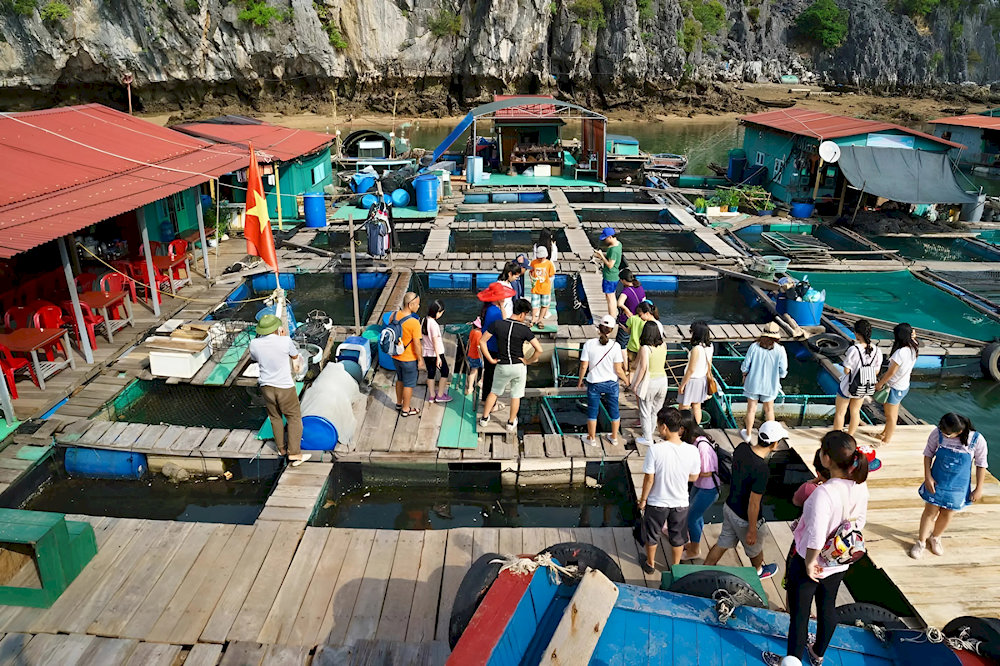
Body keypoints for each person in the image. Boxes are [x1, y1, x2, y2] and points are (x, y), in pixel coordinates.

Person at [763, 431, 869, 666]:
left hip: (810, 562)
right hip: (839, 560)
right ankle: (817, 654)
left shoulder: (824, 493)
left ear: (827, 459)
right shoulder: (860, 487)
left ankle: (791, 661)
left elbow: (816, 535)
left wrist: (810, 563)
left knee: (800, 616)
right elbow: (859, 523)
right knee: (827, 606)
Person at [703, 420, 786, 580]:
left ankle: (705, 568)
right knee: (755, 549)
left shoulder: (742, 448)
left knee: (723, 542)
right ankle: (759, 571)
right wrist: (752, 529)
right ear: (774, 444)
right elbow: (753, 503)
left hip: (729, 507)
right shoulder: (762, 469)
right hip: (744, 518)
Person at [909, 413, 989, 559]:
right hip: (937, 480)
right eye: (943, 431)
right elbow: (928, 454)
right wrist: (928, 477)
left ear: (959, 431)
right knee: (930, 512)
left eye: (948, 433)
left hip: (959, 486)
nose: (945, 435)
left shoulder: (976, 440)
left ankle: (935, 537)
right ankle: (920, 542)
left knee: (948, 513)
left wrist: (979, 488)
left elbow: (981, 464)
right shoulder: (937, 434)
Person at [637, 406, 702, 572]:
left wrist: (643, 499)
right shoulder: (692, 450)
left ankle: (650, 564)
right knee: (678, 537)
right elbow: (694, 477)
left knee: (652, 535)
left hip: (657, 501)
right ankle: (675, 566)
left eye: (658, 425)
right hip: (680, 502)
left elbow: (649, 478)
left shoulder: (655, 449)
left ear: (664, 426)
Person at [249, 314, 311, 466]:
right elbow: (295, 356)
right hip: (284, 387)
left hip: (266, 387)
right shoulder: (285, 341)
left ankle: (281, 449)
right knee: (294, 418)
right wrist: (282, 337)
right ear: (278, 328)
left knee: (275, 417)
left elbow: (254, 358)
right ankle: (295, 454)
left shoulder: (254, 343)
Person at [479, 298, 542, 433]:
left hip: (502, 365)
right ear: (523, 314)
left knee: (494, 392)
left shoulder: (497, 324)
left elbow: (482, 341)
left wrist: (490, 359)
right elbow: (539, 350)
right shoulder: (524, 330)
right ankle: (510, 422)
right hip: (518, 367)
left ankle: (484, 419)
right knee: (516, 395)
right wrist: (528, 361)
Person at [578, 315, 628, 448]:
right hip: (611, 384)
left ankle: (591, 438)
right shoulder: (616, 346)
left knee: (592, 412)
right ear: (612, 330)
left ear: (598, 328)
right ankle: (614, 437)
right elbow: (618, 369)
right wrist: (626, 380)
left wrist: (580, 381)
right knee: (614, 411)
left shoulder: (589, 344)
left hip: (594, 383)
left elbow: (584, 366)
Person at [680, 410, 719, 560]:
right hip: (700, 484)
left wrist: (685, 472)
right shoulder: (695, 442)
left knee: (691, 517)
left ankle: (695, 550)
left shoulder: (702, 445)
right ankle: (695, 542)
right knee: (696, 515)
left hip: (709, 488)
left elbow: (708, 471)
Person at [833, 318, 882, 436]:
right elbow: (876, 371)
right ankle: (850, 435)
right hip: (863, 386)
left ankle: (837, 437)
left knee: (840, 412)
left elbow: (846, 370)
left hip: (848, 385)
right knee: (855, 411)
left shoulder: (854, 349)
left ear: (857, 334)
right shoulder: (877, 350)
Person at [740, 322, 788, 441]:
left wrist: (744, 374)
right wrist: (779, 376)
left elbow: (745, 365)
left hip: (752, 383)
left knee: (751, 409)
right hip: (770, 385)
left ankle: (748, 434)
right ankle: (771, 435)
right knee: (769, 410)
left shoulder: (754, 347)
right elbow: (783, 369)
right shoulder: (780, 350)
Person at [873, 323, 919, 446]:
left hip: (894, 387)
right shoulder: (914, 347)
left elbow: (891, 372)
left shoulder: (900, 353)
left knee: (890, 416)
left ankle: (886, 439)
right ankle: (884, 433)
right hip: (903, 386)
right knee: (892, 413)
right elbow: (914, 337)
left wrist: (880, 384)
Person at [630, 320, 669, 446]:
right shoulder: (664, 345)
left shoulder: (645, 348)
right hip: (663, 381)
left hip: (650, 382)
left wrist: (635, 384)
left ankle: (647, 438)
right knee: (655, 411)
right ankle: (650, 433)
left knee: (645, 411)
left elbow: (643, 368)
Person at [477, 282, 512, 408]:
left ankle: (485, 399)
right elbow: (504, 324)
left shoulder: (488, 308)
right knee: (494, 377)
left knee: (488, 375)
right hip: (493, 347)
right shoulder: (495, 312)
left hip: (488, 345)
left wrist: (502, 306)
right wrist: (502, 307)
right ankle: (491, 404)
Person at [390, 292, 425, 417]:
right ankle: (406, 409)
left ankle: (399, 403)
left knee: (400, 379)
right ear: (411, 304)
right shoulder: (414, 323)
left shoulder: (393, 316)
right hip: (409, 359)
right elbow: (417, 344)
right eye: (417, 304)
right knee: (409, 384)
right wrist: (420, 360)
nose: (419, 306)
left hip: (395, 356)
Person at [678, 320, 714, 425]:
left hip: (692, 381)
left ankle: (682, 428)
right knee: (697, 406)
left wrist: (683, 384)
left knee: (684, 407)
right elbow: (709, 366)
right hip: (701, 379)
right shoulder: (710, 346)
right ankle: (696, 427)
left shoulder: (696, 349)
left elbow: (691, 370)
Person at [421, 299, 452, 404]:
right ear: (437, 312)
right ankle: (440, 395)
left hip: (426, 352)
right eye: (441, 312)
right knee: (445, 372)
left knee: (431, 373)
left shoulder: (424, 320)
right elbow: (435, 341)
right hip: (436, 353)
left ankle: (432, 395)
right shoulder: (433, 324)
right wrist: (438, 357)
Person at [593, 227, 622, 318]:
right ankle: (613, 316)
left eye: (605, 238)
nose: (604, 240)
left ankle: (612, 317)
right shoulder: (618, 244)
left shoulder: (613, 250)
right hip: (615, 275)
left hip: (610, 276)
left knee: (610, 298)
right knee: (612, 296)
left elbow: (610, 265)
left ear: (610, 237)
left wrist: (601, 256)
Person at [624, 301, 659, 370]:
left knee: (632, 369)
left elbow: (628, 331)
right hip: (646, 349)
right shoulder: (651, 324)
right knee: (643, 368)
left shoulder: (633, 318)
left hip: (632, 348)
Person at [528, 245, 556, 330]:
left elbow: (551, 274)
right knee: (534, 305)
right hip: (535, 287)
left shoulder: (549, 263)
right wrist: (531, 278)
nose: (541, 259)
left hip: (545, 288)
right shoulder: (534, 262)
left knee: (544, 304)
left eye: (543, 257)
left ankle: (540, 320)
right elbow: (530, 271)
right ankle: (533, 319)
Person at [616, 269, 645, 347]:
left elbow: (619, 303)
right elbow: (644, 301)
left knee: (622, 344)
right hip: (639, 319)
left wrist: (626, 310)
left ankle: (623, 359)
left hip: (627, 320)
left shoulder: (626, 291)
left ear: (624, 280)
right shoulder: (640, 288)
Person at [466, 317, 483, 395]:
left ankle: (470, 388)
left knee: (473, 371)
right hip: (478, 356)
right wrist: (482, 357)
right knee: (485, 368)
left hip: (470, 354)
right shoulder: (479, 334)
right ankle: (481, 381)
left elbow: (469, 342)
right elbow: (479, 346)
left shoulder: (472, 331)